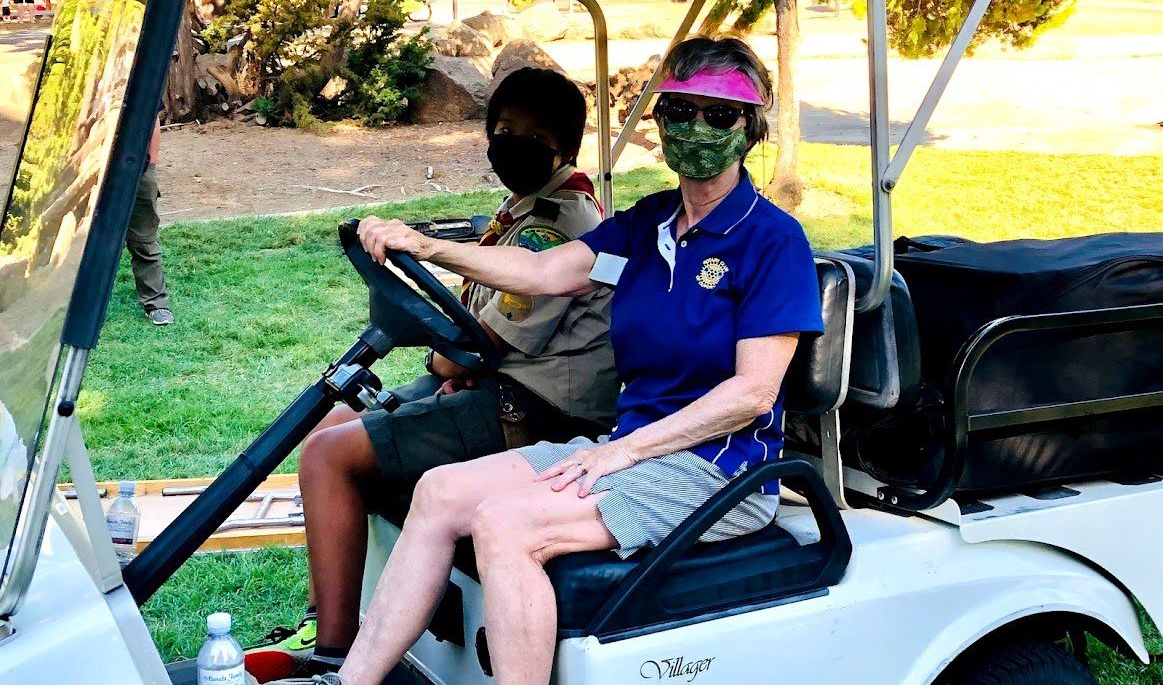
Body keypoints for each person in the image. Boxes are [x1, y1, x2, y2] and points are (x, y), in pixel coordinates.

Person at [271, 36, 824, 685]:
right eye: (679, 111)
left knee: (506, 525)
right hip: (632, 448)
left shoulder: (771, 240)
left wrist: (627, 451)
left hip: (715, 472)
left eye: (718, 114)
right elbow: (537, 271)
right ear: (660, 121)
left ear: (749, 128)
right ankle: (347, 679)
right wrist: (425, 247)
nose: (695, 128)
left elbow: (753, 393)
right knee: (440, 490)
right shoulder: (647, 224)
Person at [246, 68, 618, 682]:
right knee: (333, 424)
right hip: (499, 386)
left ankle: (334, 655)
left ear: (567, 149)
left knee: (330, 457)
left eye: (533, 135)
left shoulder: (561, 222)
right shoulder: (523, 208)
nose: (512, 143)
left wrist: (444, 364)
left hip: (537, 414)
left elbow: (483, 343)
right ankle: (329, 615)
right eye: (503, 130)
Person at [126, 116, 174, 325]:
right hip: (95, 168)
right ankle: (81, 305)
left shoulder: (141, 83)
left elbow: (152, 118)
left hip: (139, 168)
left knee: (144, 239)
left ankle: (156, 304)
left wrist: (150, 164)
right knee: (89, 240)